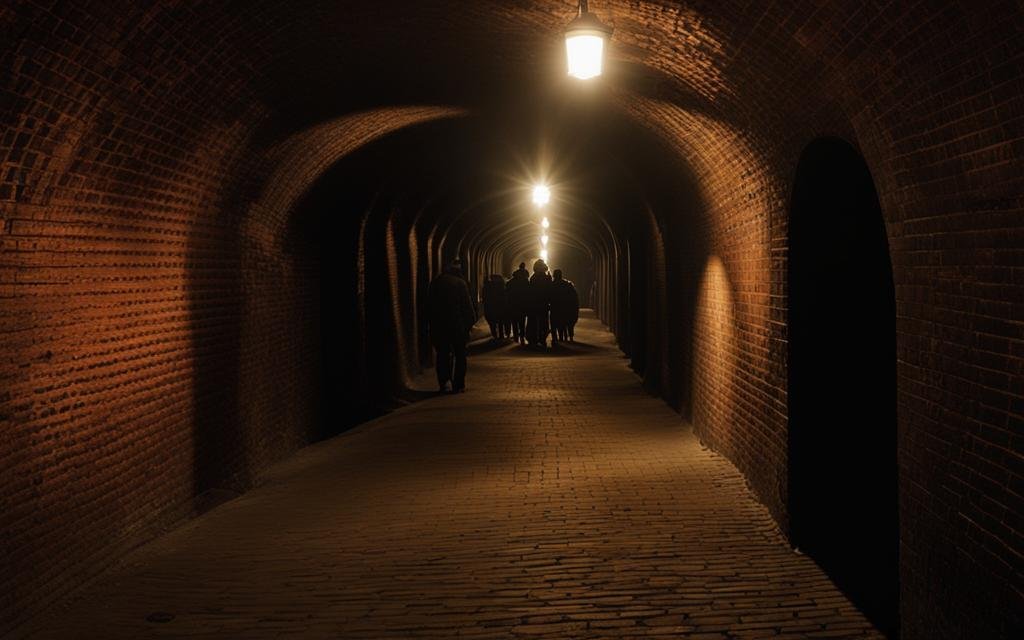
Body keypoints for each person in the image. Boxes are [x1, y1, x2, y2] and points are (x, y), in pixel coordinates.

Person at [427, 260, 476, 393]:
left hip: (439, 326)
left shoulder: (435, 283)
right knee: (460, 355)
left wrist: (431, 325)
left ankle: (444, 383)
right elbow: (467, 307)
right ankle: (458, 384)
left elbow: (428, 306)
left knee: (442, 355)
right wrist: (469, 325)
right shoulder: (460, 283)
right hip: (457, 326)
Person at [527, 259, 553, 347]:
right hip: (543, 303)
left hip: (534, 303)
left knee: (533, 321)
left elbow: (530, 292)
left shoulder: (533, 278)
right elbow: (549, 291)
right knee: (544, 321)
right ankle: (542, 338)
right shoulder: (546, 278)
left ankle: (534, 338)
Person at [551, 269, 580, 342]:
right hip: (566, 307)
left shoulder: (552, 285)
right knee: (567, 322)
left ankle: (560, 338)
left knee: (558, 324)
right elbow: (574, 297)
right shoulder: (567, 284)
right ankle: (569, 337)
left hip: (556, 308)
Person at [506, 263, 530, 344]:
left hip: (513, 304)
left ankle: (516, 337)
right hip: (522, 304)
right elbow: (528, 293)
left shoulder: (511, 282)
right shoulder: (526, 282)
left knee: (514, 321)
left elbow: (507, 293)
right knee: (522, 322)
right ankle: (522, 336)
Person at [481, 274, 507, 340]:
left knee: (492, 322)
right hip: (500, 307)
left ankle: (495, 335)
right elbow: (505, 296)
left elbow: (485, 297)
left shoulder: (487, 286)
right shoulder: (502, 286)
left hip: (491, 307)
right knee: (500, 322)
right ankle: (501, 335)